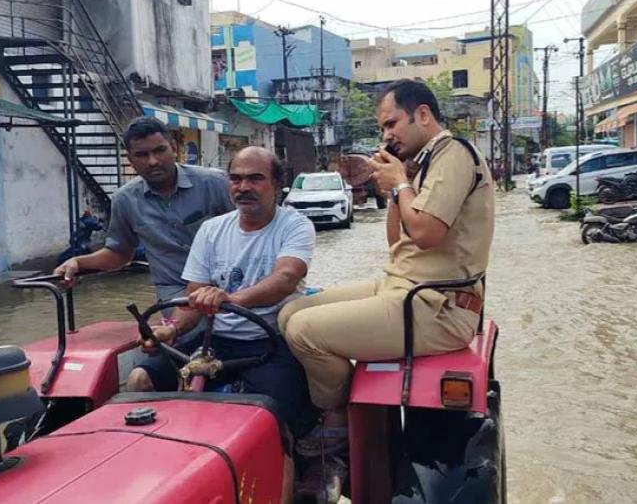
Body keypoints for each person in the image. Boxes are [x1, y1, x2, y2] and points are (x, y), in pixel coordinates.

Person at [279, 79, 495, 461]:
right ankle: (336, 401)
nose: (386, 136)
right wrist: (396, 188)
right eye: (382, 128)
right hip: (403, 286)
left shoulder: (454, 154)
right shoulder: (423, 163)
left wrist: (400, 183)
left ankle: (339, 417)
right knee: (290, 311)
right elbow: (397, 242)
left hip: (439, 306)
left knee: (303, 330)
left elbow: (425, 233)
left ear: (422, 115)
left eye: (392, 124)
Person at [125, 146, 319, 444]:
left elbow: (285, 278)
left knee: (277, 423)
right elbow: (194, 298)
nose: (243, 187)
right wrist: (171, 330)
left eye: (255, 178)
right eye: (236, 179)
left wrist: (231, 300)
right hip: (216, 340)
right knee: (140, 379)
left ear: (278, 184)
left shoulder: (295, 225)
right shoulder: (211, 230)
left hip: (271, 342)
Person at [53, 117, 233, 303]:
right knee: (180, 320)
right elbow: (119, 254)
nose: (153, 161)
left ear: (174, 148)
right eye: (141, 155)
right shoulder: (125, 200)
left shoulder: (215, 183)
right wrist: (77, 262)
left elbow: (247, 229)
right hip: (175, 292)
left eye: (159, 151)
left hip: (228, 286)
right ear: (130, 159)